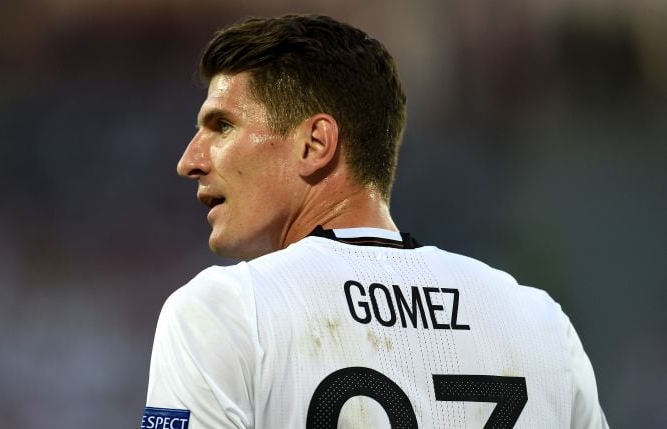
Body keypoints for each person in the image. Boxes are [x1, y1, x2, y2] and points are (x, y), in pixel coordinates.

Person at [141, 14, 607, 429]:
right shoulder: (541, 324)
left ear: (315, 143)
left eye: (222, 126)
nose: (190, 160)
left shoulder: (224, 312)